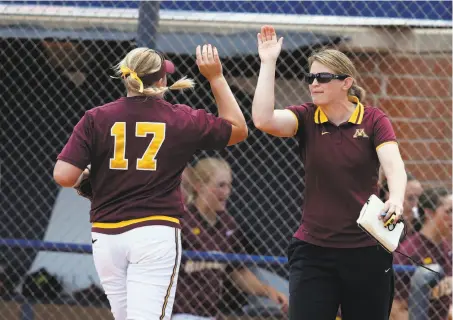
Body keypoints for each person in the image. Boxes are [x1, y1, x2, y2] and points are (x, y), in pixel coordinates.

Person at [53, 45, 248, 320]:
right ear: (161, 81)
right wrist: (216, 77)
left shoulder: (97, 117)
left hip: (107, 234)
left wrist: (91, 176)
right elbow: (238, 130)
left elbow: (63, 175)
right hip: (154, 233)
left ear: (126, 78)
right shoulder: (180, 117)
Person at [251, 25, 407, 320]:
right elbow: (263, 119)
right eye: (310, 77)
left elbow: (394, 165)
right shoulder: (306, 116)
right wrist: (268, 62)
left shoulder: (373, 119)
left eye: (323, 77)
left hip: (367, 250)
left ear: (346, 82)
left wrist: (396, 199)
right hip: (313, 251)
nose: (314, 83)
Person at [172, 158, 288, 320]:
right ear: (199, 187)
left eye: (229, 185)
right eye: (220, 185)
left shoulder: (228, 224)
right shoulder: (182, 221)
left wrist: (268, 290)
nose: (227, 192)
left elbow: (238, 272)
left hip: (210, 314)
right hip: (180, 312)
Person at [391, 187, 452, 320]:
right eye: (449, 211)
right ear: (429, 213)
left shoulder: (445, 247)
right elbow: (394, 311)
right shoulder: (410, 251)